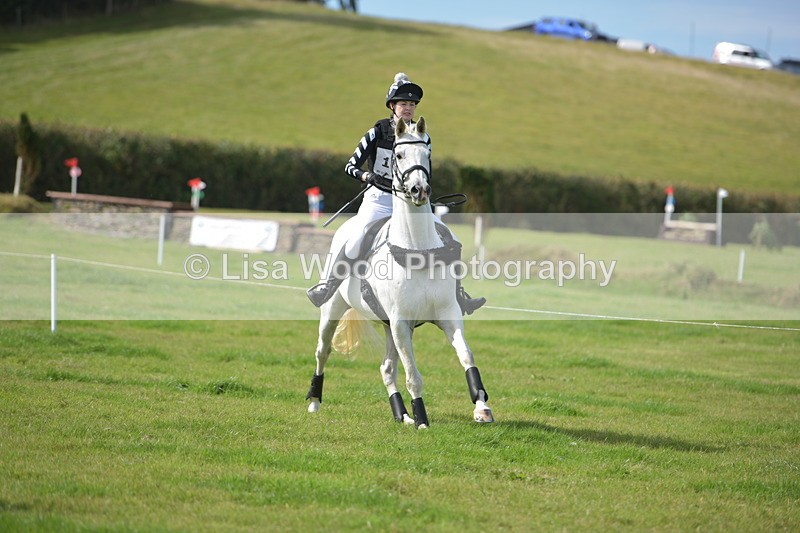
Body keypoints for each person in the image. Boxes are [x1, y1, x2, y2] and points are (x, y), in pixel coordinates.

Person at [306, 72, 485, 314]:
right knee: (357, 237)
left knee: (449, 238)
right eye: (403, 103)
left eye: (412, 104)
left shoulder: (423, 136)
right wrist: (368, 177)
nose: (408, 108)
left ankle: (458, 295)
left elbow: (425, 171)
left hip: (412, 203)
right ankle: (327, 287)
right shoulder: (377, 132)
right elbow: (350, 166)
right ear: (392, 106)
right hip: (379, 200)